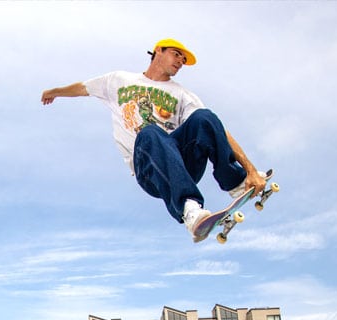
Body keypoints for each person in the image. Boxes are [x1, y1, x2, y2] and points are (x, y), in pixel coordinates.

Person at [41, 38, 266, 242]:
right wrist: (54, 91)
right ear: (158, 50)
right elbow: (83, 88)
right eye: (177, 54)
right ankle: (190, 209)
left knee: (205, 118)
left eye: (184, 59)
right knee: (150, 132)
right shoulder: (119, 80)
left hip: (182, 165)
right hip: (149, 169)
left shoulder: (182, 94)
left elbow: (216, 130)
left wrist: (251, 170)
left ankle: (236, 182)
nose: (180, 61)